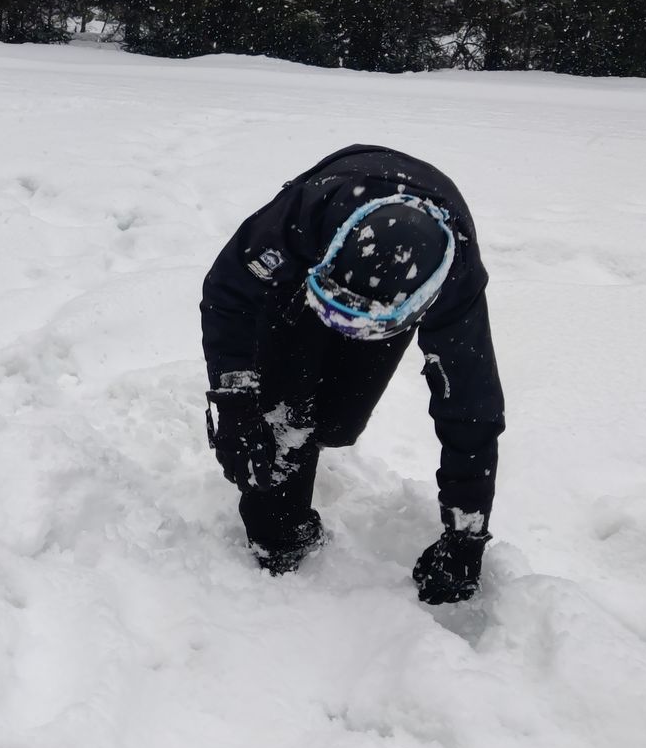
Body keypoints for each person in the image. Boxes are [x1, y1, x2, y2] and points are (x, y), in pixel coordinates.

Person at [200, 145, 504, 603]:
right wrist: (237, 402)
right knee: (283, 415)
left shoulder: (454, 286)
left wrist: (465, 535)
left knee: (340, 420)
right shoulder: (302, 218)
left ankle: (318, 421)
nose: (338, 329)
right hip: (302, 283)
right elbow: (228, 293)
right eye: (334, 312)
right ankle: (279, 535)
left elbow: (470, 407)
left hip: (387, 291)